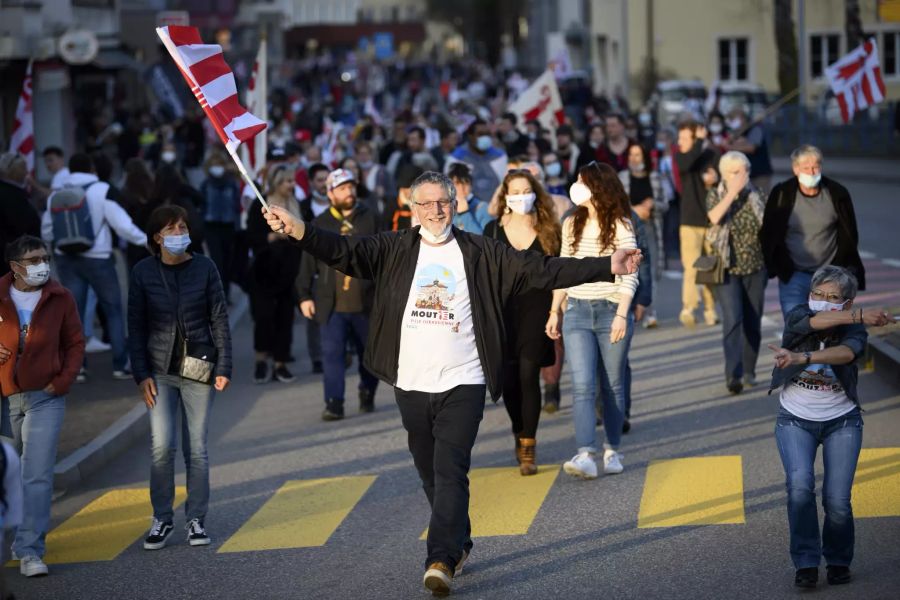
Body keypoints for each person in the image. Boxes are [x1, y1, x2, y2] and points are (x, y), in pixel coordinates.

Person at [262, 171, 640, 596]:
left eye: (443, 202)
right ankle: (458, 538)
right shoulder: (394, 248)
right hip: (410, 380)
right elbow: (342, 250)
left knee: (450, 468)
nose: (436, 210)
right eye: (426, 204)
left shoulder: (480, 252)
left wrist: (607, 265)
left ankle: (440, 557)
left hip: (465, 378)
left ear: (455, 205)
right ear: (413, 209)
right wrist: (297, 229)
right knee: (429, 472)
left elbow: (542, 269)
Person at [767, 265, 894, 589]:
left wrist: (801, 358)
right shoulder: (799, 314)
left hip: (843, 421)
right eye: (818, 294)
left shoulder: (854, 331)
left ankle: (838, 559)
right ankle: (806, 562)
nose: (823, 302)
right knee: (799, 489)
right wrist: (862, 316)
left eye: (833, 297)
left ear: (847, 303)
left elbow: (847, 353)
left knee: (837, 500)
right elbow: (815, 321)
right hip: (795, 419)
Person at [128, 205, 231, 552]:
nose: (179, 235)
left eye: (183, 227)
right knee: (162, 447)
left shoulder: (204, 267)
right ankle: (162, 518)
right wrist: (140, 374)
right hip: (159, 370)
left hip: (199, 366)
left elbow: (219, 318)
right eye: (172, 229)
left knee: (197, 449)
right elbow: (135, 326)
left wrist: (224, 367)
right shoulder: (143, 272)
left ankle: (196, 518)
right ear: (157, 237)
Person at [545, 162, 638, 479]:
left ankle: (612, 448)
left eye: (582, 181)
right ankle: (586, 453)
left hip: (612, 310)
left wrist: (622, 315)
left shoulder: (622, 224)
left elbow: (630, 274)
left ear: (598, 186)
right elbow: (563, 268)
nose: (576, 186)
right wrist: (555, 309)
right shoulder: (571, 223)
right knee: (582, 384)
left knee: (611, 384)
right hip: (578, 311)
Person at [0, 235, 84, 577]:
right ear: (15, 266)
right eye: (33, 260)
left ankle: (30, 550)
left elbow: (76, 343)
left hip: (46, 397)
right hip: (6, 397)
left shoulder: (60, 297)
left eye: (44, 258)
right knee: (11, 474)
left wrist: (63, 380)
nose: (41, 266)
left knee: (36, 475)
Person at [41, 153, 148, 381]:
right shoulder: (102, 189)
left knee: (73, 313)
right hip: (99, 258)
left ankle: (77, 367)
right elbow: (123, 225)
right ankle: (121, 365)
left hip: (66, 258)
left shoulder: (56, 194)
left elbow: (47, 231)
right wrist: (147, 241)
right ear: (91, 167)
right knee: (113, 311)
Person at [483, 170, 561, 476]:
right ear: (504, 195)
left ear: (535, 192)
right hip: (502, 313)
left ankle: (528, 445)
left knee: (529, 373)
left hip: (537, 309)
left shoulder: (548, 229)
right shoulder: (491, 230)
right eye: (514, 191)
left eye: (526, 190)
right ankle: (518, 430)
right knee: (510, 381)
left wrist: (557, 310)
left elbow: (559, 273)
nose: (520, 196)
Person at [297, 169, 380, 420]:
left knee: (369, 355)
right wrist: (303, 296)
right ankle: (334, 402)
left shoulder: (370, 218)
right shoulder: (320, 223)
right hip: (331, 303)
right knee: (332, 354)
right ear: (330, 193)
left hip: (365, 302)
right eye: (342, 188)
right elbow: (307, 261)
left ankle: (367, 390)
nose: (349, 192)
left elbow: (385, 255)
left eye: (351, 187)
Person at [761, 145, 865, 319]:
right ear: (795, 169)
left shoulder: (837, 193)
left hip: (830, 276)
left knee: (829, 327)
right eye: (806, 168)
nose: (811, 172)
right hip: (794, 274)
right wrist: (777, 265)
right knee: (797, 326)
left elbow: (850, 234)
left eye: (815, 167)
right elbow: (768, 232)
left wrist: (840, 267)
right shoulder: (781, 193)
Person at [705, 151, 767, 395]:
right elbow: (714, 217)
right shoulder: (715, 194)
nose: (743, 177)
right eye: (736, 172)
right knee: (732, 319)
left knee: (753, 320)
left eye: (745, 171)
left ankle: (749, 369)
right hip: (726, 267)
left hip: (756, 267)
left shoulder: (758, 195)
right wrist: (732, 193)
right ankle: (734, 374)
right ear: (724, 175)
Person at [247, 166, 303, 383]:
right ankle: (261, 360)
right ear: (276, 183)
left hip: (288, 272)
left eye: (292, 181)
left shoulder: (295, 205)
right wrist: (270, 237)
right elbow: (250, 235)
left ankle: (280, 363)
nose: (291, 185)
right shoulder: (260, 204)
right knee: (263, 318)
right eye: (286, 181)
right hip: (264, 272)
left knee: (285, 318)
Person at [675, 121, 719, 327]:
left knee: (709, 267)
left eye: (684, 139)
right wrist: (698, 141)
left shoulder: (711, 155)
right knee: (691, 267)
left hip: (711, 221)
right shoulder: (682, 156)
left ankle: (711, 308)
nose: (679, 142)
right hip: (689, 220)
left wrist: (716, 178)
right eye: (680, 138)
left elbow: (723, 178)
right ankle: (689, 308)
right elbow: (686, 164)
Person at [618, 142, 666, 328]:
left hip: (650, 227)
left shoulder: (655, 177)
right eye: (631, 155)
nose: (634, 159)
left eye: (638, 155)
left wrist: (653, 205)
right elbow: (617, 204)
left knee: (650, 271)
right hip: (628, 229)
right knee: (630, 270)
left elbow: (665, 203)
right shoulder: (622, 177)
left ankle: (649, 311)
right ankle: (629, 309)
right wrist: (634, 209)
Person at [199, 152, 241, 301]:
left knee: (228, 261)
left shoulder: (232, 184)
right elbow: (202, 206)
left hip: (228, 227)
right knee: (217, 261)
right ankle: (218, 294)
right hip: (212, 227)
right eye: (214, 165)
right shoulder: (206, 184)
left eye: (219, 164)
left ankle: (227, 292)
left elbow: (237, 206)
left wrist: (237, 227)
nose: (217, 168)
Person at [446, 119, 508, 204]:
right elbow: (451, 190)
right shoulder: (456, 159)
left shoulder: (500, 156)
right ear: (470, 136)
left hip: (497, 207)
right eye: (480, 134)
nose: (485, 138)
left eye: (487, 134)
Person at [0, 152, 41, 277]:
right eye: (23, 168)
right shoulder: (10, 195)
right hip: (12, 259)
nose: (26, 172)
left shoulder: (12, 192)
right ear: (12, 171)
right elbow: (21, 225)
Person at [725, 108, 773, 193]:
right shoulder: (736, 133)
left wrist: (732, 147)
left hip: (760, 174)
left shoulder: (755, 129)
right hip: (746, 175)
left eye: (734, 119)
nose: (732, 122)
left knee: (762, 199)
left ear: (742, 118)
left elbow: (752, 148)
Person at [447, 163, 491, 233]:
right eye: (457, 184)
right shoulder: (446, 207)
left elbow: (486, 240)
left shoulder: (482, 207)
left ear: (471, 185)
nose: (461, 188)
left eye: (465, 183)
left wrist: (464, 214)